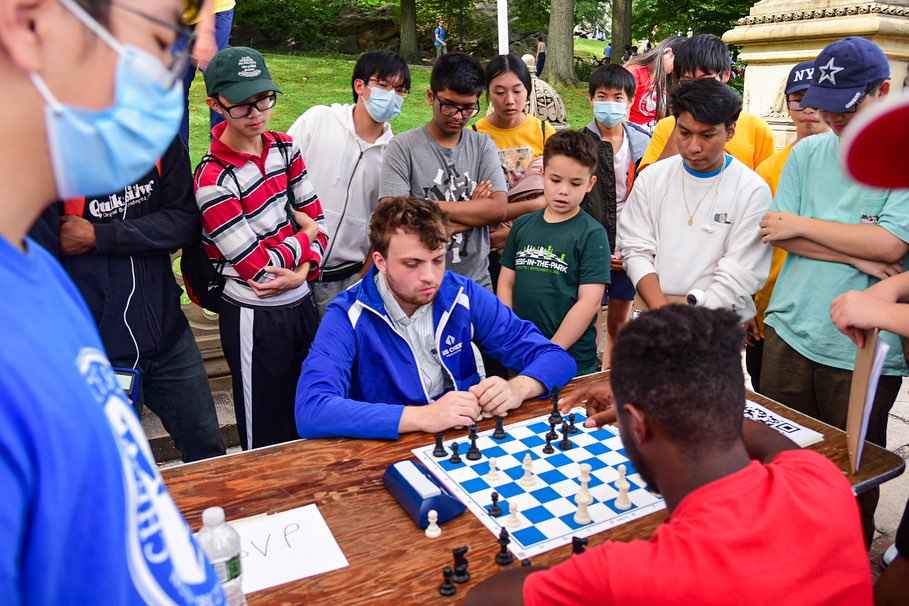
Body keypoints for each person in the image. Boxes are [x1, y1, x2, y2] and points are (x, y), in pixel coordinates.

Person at [0, 0, 225, 602]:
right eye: (163, 40)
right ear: (29, 24)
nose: (197, 59)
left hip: (161, 329)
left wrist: (101, 236)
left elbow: (184, 221)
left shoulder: (34, 281)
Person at [466, 306, 873, 606]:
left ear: (636, 426)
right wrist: (663, 407)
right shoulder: (821, 479)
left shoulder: (635, 576)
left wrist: (645, 409)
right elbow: (771, 443)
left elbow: (484, 599)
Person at [758, 37, 909, 546]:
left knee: (857, 468)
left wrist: (805, 225)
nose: (835, 120)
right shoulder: (808, 152)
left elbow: (890, 242)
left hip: (863, 348)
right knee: (781, 457)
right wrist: (858, 253)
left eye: (849, 107)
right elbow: (778, 232)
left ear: (883, 91)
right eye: (827, 108)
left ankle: (843, 565)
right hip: (790, 328)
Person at [294, 196, 576, 439]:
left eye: (438, 260)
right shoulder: (346, 314)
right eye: (412, 264)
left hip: (467, 438)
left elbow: (556, 358)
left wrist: (519, 387)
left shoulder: (462, 293)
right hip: (389, 452)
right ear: (380, 262)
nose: (430, 276)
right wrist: (424, 416)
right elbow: (312, 410)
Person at [32, 136, 227, 463]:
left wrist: (99, 236)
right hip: (101, 356)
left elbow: (183, 223)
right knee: (118, 472)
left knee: (210, 454)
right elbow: (41, 251)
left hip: (170, 339)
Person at [196, 46, 328, 450]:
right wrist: (304, 240)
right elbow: (258, 270)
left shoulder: (286, 148)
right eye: (242, 105)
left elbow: (322, 223)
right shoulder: (212, 178)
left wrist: (304, 269)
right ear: (215, 105)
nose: (256, 113)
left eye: (264, 99)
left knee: (313, 416)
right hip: (255, 316)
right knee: (266, 435)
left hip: (302, 301)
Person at [618, 78, 772, 319]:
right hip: (653, 308)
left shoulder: (752, 190)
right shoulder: (652, 178)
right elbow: (635, 248)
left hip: (717, 318)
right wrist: (662, 310)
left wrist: (690, 321)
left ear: (730, 131)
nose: (693, 147)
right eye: (685, 133)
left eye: (707, 136)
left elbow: (740, 272)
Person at [286, 50, 411, 316]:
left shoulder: (395, 152)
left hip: (345, 279)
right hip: (293, 265)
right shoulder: (318, 120)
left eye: (400, 90)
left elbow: (386, 220)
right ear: (360, 86)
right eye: (384, 85)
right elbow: (279, 178)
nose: (392, 95)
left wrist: (365, 273)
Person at [380, 52, 508, 290]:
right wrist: (473, 212)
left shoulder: (482, 145)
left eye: (469, 108)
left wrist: (419, 206)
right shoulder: (402, 147)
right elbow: (393, 218)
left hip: (477, 285)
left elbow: (498, 209)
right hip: (418, 285)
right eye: (449, 106)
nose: (458, 117)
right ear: (431, 96)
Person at [746, 61, 830, 391]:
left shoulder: (852, 166)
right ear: (787, 104)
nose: (808, 107)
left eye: (817, 97)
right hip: (770, 312)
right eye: (798, 98)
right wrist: (746, 304)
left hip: (829, 317)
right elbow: (751, 243)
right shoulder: (767, 171)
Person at [498, 130, 610, 376]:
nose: (563, 191)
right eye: (555, 180)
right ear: (542, 175)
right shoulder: (523, 225)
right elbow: (506, 282)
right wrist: (509, 331)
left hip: (569, 360)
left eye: (575, 183)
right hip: (521, 354)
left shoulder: (592, 234)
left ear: (590, 184)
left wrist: (551, 351)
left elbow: (589, 301)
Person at [580, 64, 651, 369]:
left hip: (629, 247)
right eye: (602, 95)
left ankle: (610, 377)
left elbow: (650, 202)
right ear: (591, 99)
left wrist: (632, 248)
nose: (610, 102)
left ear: (630, 101)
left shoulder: (644, 143)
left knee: (619, 322)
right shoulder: (579, 144)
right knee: (588, 315)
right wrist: (597, 249)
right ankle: (588, 373)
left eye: (617, 96)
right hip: (591, 247)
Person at [473, 54, 555, 290]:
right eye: (499, 92)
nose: (509, 100)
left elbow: (557, 193)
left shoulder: (543, 131)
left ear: (528, 91)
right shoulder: (474, 135)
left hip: (536, 243)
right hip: (488, 247)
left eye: (517, 91)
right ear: (487, 92)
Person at [639, 34, 774, 171]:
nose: (697, 89)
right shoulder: (666, 127)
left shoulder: (756, 128)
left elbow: (766, 184)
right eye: (687, 82)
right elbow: (650, 181)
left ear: (726, 74)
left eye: (705, 80)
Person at [177, 0, 235, 144]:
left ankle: (223, 161)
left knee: (221, 90)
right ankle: (179, 163)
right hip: (175, 14)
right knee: (173, 93)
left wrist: (205, 27)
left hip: (214, 10)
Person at [621, 36, 685, 133]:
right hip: (633, 134)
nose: (677, 71)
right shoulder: (635, 72)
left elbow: (662, 114)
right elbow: (623, 115)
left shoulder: (665, 76)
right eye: (678, 65)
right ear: (668, 53)